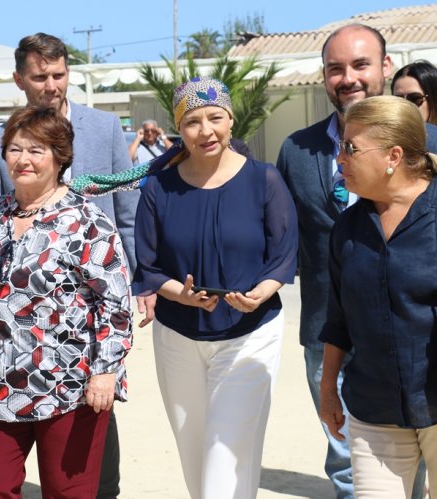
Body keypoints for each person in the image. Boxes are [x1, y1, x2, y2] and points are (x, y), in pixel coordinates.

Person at [276, 23, 437, 498]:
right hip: (330, 333)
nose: (349, 78)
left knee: (418, 452)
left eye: (361, 65)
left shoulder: (434, 144)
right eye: (335, 68)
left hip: (420, 332)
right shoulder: (296, 151)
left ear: (385, 67)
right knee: (347, 463)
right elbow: (280, 236)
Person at [319, 95, 437, 498]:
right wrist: (328, 388)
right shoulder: (348, 229)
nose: (339, 157)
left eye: (350, 147)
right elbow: (338, 316)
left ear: (394, 155)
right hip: (373, 405)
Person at [0, 32, 139, 498]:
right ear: (19, 80)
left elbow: (125, 216)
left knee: (94, 415)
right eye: (40, 76)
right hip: (22, 320)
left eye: (58, 74)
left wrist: (136, 288)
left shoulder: (106, 128)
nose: (51, 85)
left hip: (90, 305)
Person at [0, 105, 132, 498]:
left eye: (36, 150)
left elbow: (114, 307)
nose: (23, 159)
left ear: (60, 156)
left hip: (69, 386)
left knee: (68, 493)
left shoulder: (86, 221)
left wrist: (105, 372)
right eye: (14, 149)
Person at [133, 76, 298, 499]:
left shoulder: (265, 180)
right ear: (178, 129)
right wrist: (180, 294)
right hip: (178, 335)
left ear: (230, 120)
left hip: (251, 333)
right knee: (195, 457)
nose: (205, 131)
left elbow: (283, 256)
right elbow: (149, 265)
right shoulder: (157, 188)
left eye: (215, 118)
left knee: (228, 454)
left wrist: (259, 293)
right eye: (192, 121)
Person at [392, 60, 437, 153]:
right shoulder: (385, 145)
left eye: (415, 98)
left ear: (435, 100)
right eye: (398, 99)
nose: (406, 106)